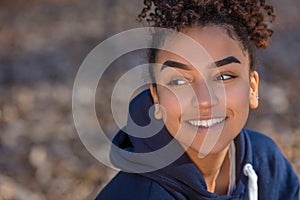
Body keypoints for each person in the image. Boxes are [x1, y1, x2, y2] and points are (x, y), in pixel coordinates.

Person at [96, 0, 299, 199]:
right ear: (156, 98)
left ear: (252, 88)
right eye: (178, 81)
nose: (204, 100)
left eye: (223, 77)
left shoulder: (265, 162)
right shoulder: (142, 194)